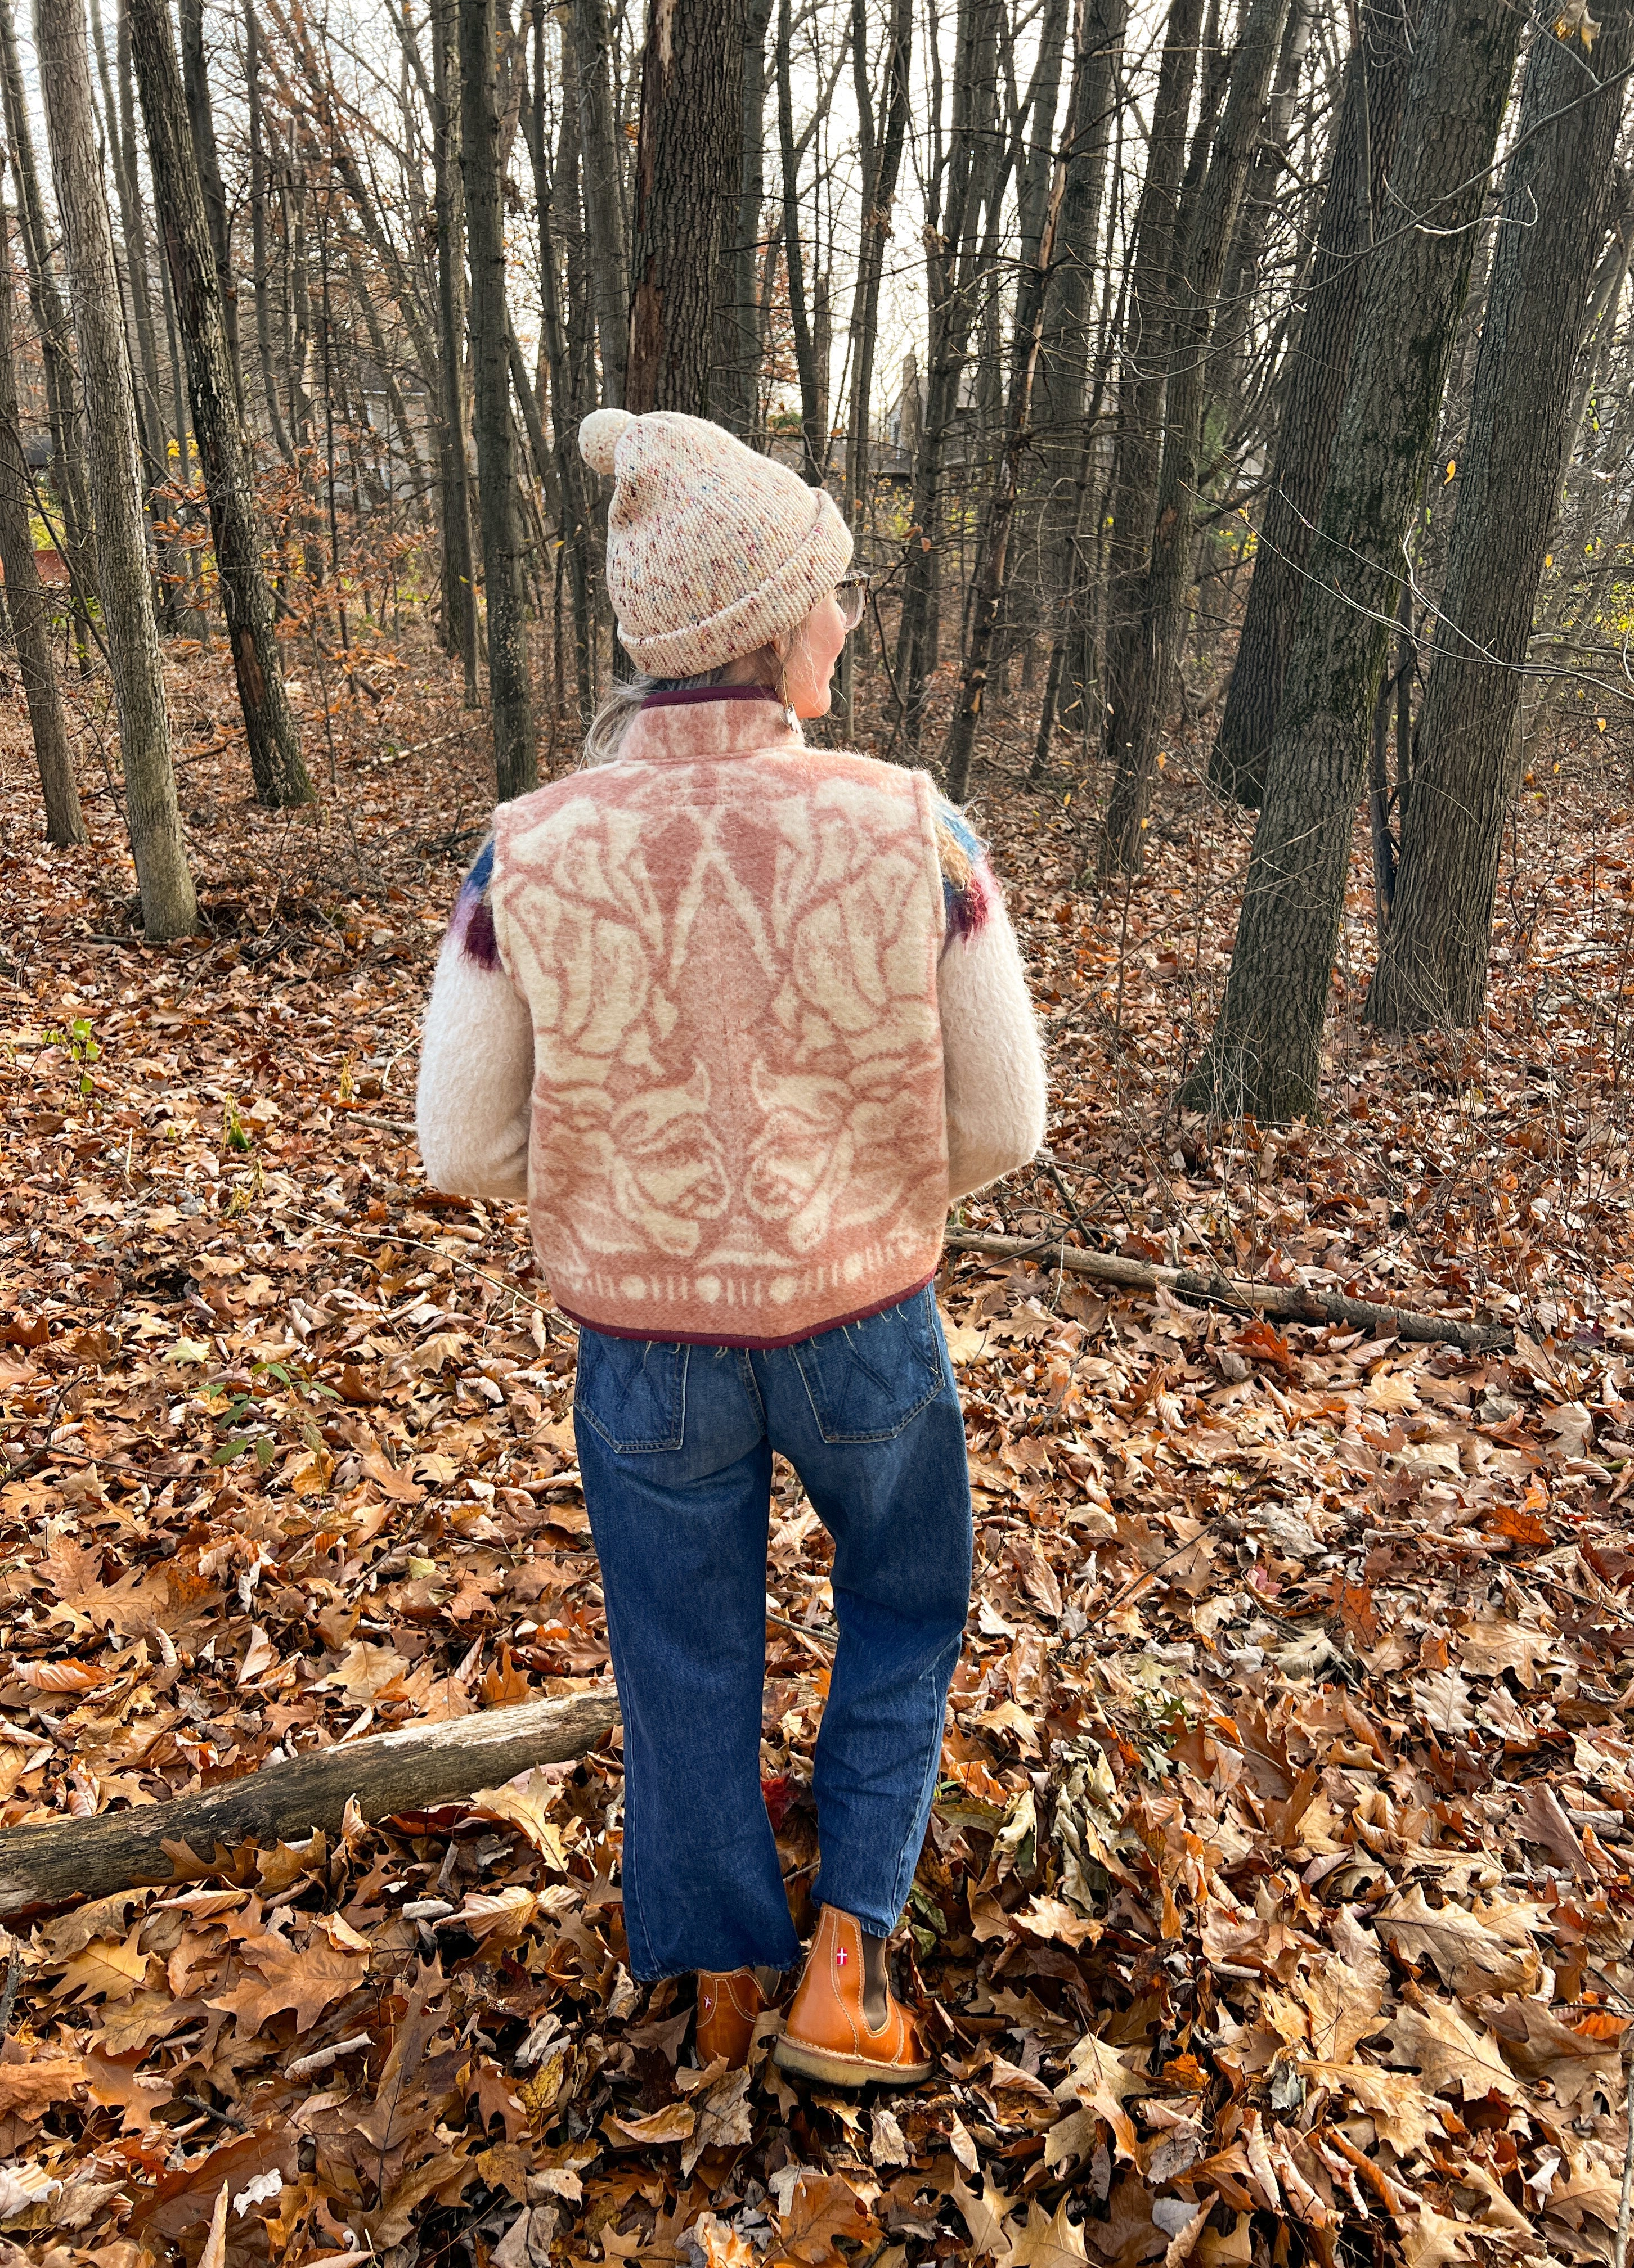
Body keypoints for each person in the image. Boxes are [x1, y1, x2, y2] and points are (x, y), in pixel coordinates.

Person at [417, 406, 1046, 2089]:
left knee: (678, 1645)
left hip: (644, 1346)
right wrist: (858, 1185)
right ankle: (849, 1957)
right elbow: (1004, 1122)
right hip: (864, 1324)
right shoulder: (913, 826)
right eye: (832, 593)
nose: (846, 622)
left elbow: (460, 1143)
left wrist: (627, 1168)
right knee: (905, 1604)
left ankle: (713, 1975)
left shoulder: (526, 848)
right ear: (767, 622)